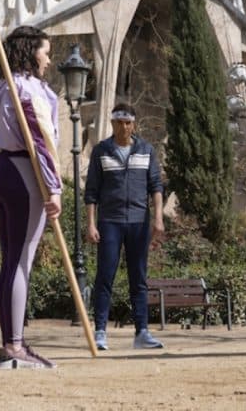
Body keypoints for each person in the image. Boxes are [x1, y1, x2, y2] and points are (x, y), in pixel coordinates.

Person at [0, 25, 62, 369]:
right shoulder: (27, 90)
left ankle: (12, 344)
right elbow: (40, 140)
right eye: (45, 51)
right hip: (24, 173)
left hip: (1, 170)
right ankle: (14, 347)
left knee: (11, 260)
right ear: (31, 52)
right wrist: (54, 187)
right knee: (20, 261)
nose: (48, 58)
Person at [85, 103, 165, 350]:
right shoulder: (101, 151)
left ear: (134, 124)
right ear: (112, 123)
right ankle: (100, 331)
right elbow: (91, 192)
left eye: (128, 122)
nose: (124, 127)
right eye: (119, 122)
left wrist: (158, 219)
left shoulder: (146, 150)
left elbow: (156, 187)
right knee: (105, 277)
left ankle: (141, 333)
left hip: (139, 222)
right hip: (110, 222)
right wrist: (90, 224)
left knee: (138, 278)